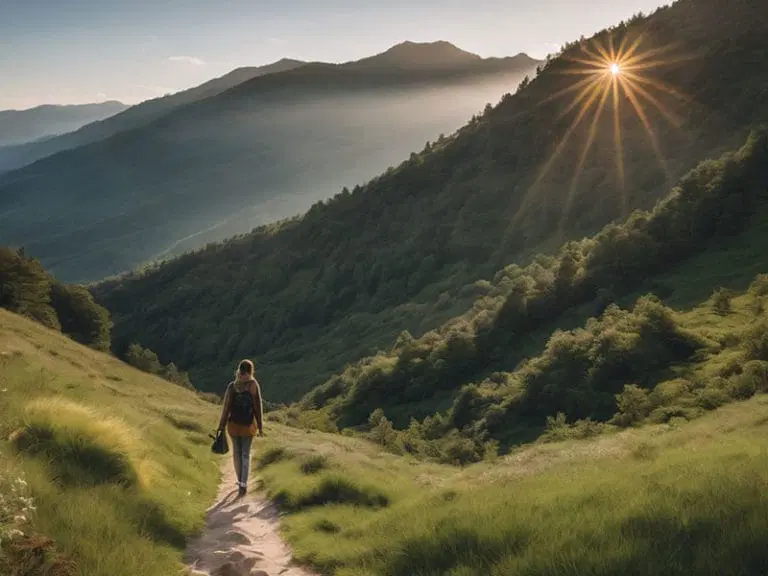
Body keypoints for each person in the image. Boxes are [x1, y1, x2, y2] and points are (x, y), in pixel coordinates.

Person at [217, 359, 264, 497]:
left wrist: (221, 425)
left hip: (233, 426)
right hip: (248, 426)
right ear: (251, 370)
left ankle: (239, 481)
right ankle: (244, 483)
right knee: (245, 454)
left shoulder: (232, 386)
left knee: (236, 453)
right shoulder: (254, 385)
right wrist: (260, 426)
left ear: (239, 370)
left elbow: (226, 408)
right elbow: (258, 407)